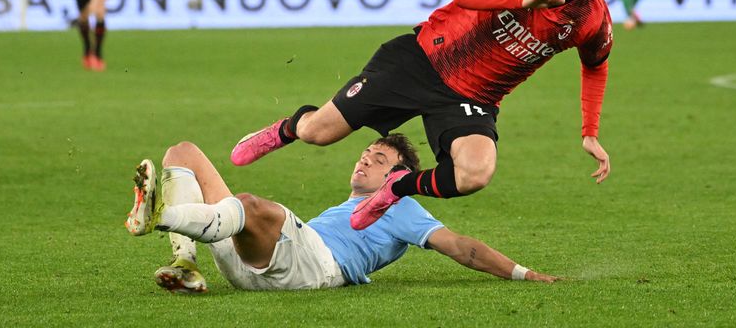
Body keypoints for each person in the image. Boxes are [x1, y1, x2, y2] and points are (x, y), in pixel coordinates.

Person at [231, 0, 613, 231]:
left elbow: (595, 66)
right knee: (319, 133)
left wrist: (590, 132)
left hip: (473, 98)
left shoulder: (590, 16)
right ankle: (285, 129)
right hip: (420, 61)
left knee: (475, 174)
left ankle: (397, 186)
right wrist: (523, 0)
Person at [125, 134, 559, 292]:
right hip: (261, 263)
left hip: (315, 267)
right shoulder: (350, 204)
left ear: (399, 176)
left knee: (252, 205)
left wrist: (524, 273)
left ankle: (160, 216)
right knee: (183, 152)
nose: (365, 160)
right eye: (366, 153)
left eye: (379, 160)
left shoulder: (400, 204)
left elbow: (461, 249)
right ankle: (185, 263)